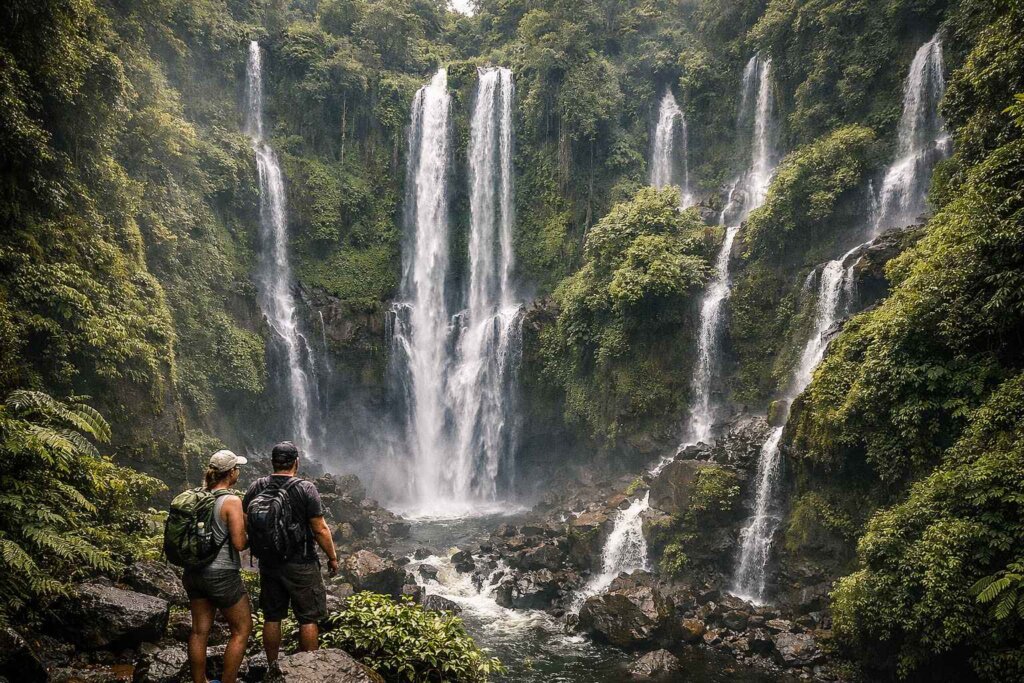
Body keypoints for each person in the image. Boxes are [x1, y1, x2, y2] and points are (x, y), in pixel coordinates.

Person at [243, 441, 339, 663]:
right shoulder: (306, 488)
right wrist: (332, 557)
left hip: (268, 562)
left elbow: (246, 518)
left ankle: (272, 666)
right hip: (302, 562)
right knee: (308, 618)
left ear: (273, 462)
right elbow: (320, 528)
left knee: (272, 616)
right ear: (297, 461)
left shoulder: (257, 486)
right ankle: (309, 670)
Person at [183, 450, 252, 683]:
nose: (238, 472)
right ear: (231, 472)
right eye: (237, 469)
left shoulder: (195, 497)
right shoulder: (231, 501)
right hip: (221, 574)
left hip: (193, 572)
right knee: (242, 629)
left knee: (199, 631)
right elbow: (239, 543)